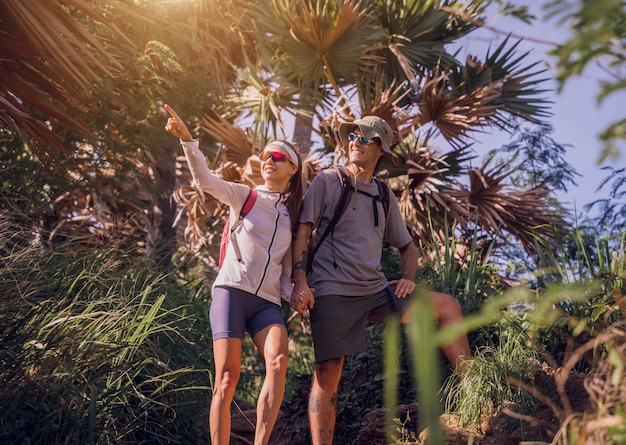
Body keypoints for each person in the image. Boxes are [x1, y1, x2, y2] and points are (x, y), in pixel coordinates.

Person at [290, 115, 471, 445]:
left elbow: (407, 247)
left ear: (380, 149)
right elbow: (302, 232)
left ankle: (477, 395)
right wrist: (300, 281)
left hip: (375, 292)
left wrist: (408, 279)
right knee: (329, 374)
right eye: (352, 136)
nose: (354, 141)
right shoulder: (328, 181)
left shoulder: (384, 195)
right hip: (332, 291)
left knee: (448, 306)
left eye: (364, 137)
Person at [164, 104, 303, 445]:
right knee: (226, 379)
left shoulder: (294, 218)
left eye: (276, 156)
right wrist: (188, 141)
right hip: (231, 293)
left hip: (267, 304)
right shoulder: (246, 196)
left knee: (279, 360)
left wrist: (297, 292)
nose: (267, 160)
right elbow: (205, 181)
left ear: (293, 169)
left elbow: (285, 270)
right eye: (264, 155)